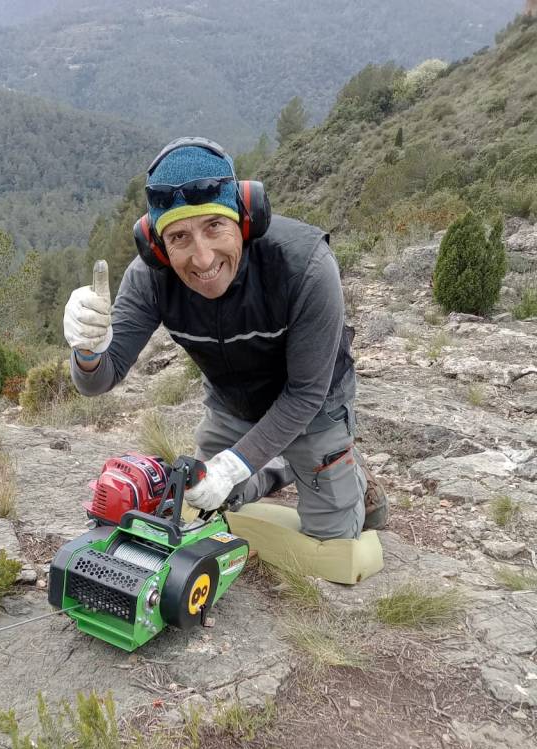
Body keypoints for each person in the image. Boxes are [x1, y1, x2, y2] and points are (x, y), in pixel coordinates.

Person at [63, 137, 387, 540]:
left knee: (332, 540)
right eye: (179, 237)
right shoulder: (151, 279)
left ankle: (349, 474)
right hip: (234, 405)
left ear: (245, 217)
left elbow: (306, 394)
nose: (202, 258)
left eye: (214, 226)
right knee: (202, 508)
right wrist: (88, 349)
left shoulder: (304, 266)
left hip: (315, 406)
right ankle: (280, 464)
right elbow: (97, 381)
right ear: (157, 246)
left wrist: (232, 466)